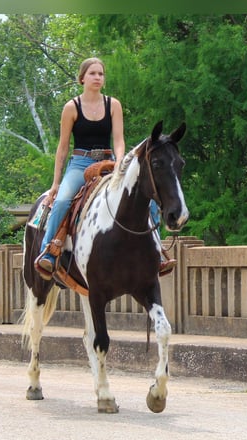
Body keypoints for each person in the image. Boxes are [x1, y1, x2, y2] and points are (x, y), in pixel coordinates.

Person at [35, 57, 176, 280]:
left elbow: (119, 140)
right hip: (80, 163)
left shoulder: (113, 105)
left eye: (101, 74)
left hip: (109, 162)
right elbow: (62, 148)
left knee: (145, 198)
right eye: (92, 73)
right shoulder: (71, 107)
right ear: (82, 78)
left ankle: (158, 253)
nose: (97, 77)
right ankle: (48, 252)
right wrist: (55, 182)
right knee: (62, 200)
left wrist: (120, 162)